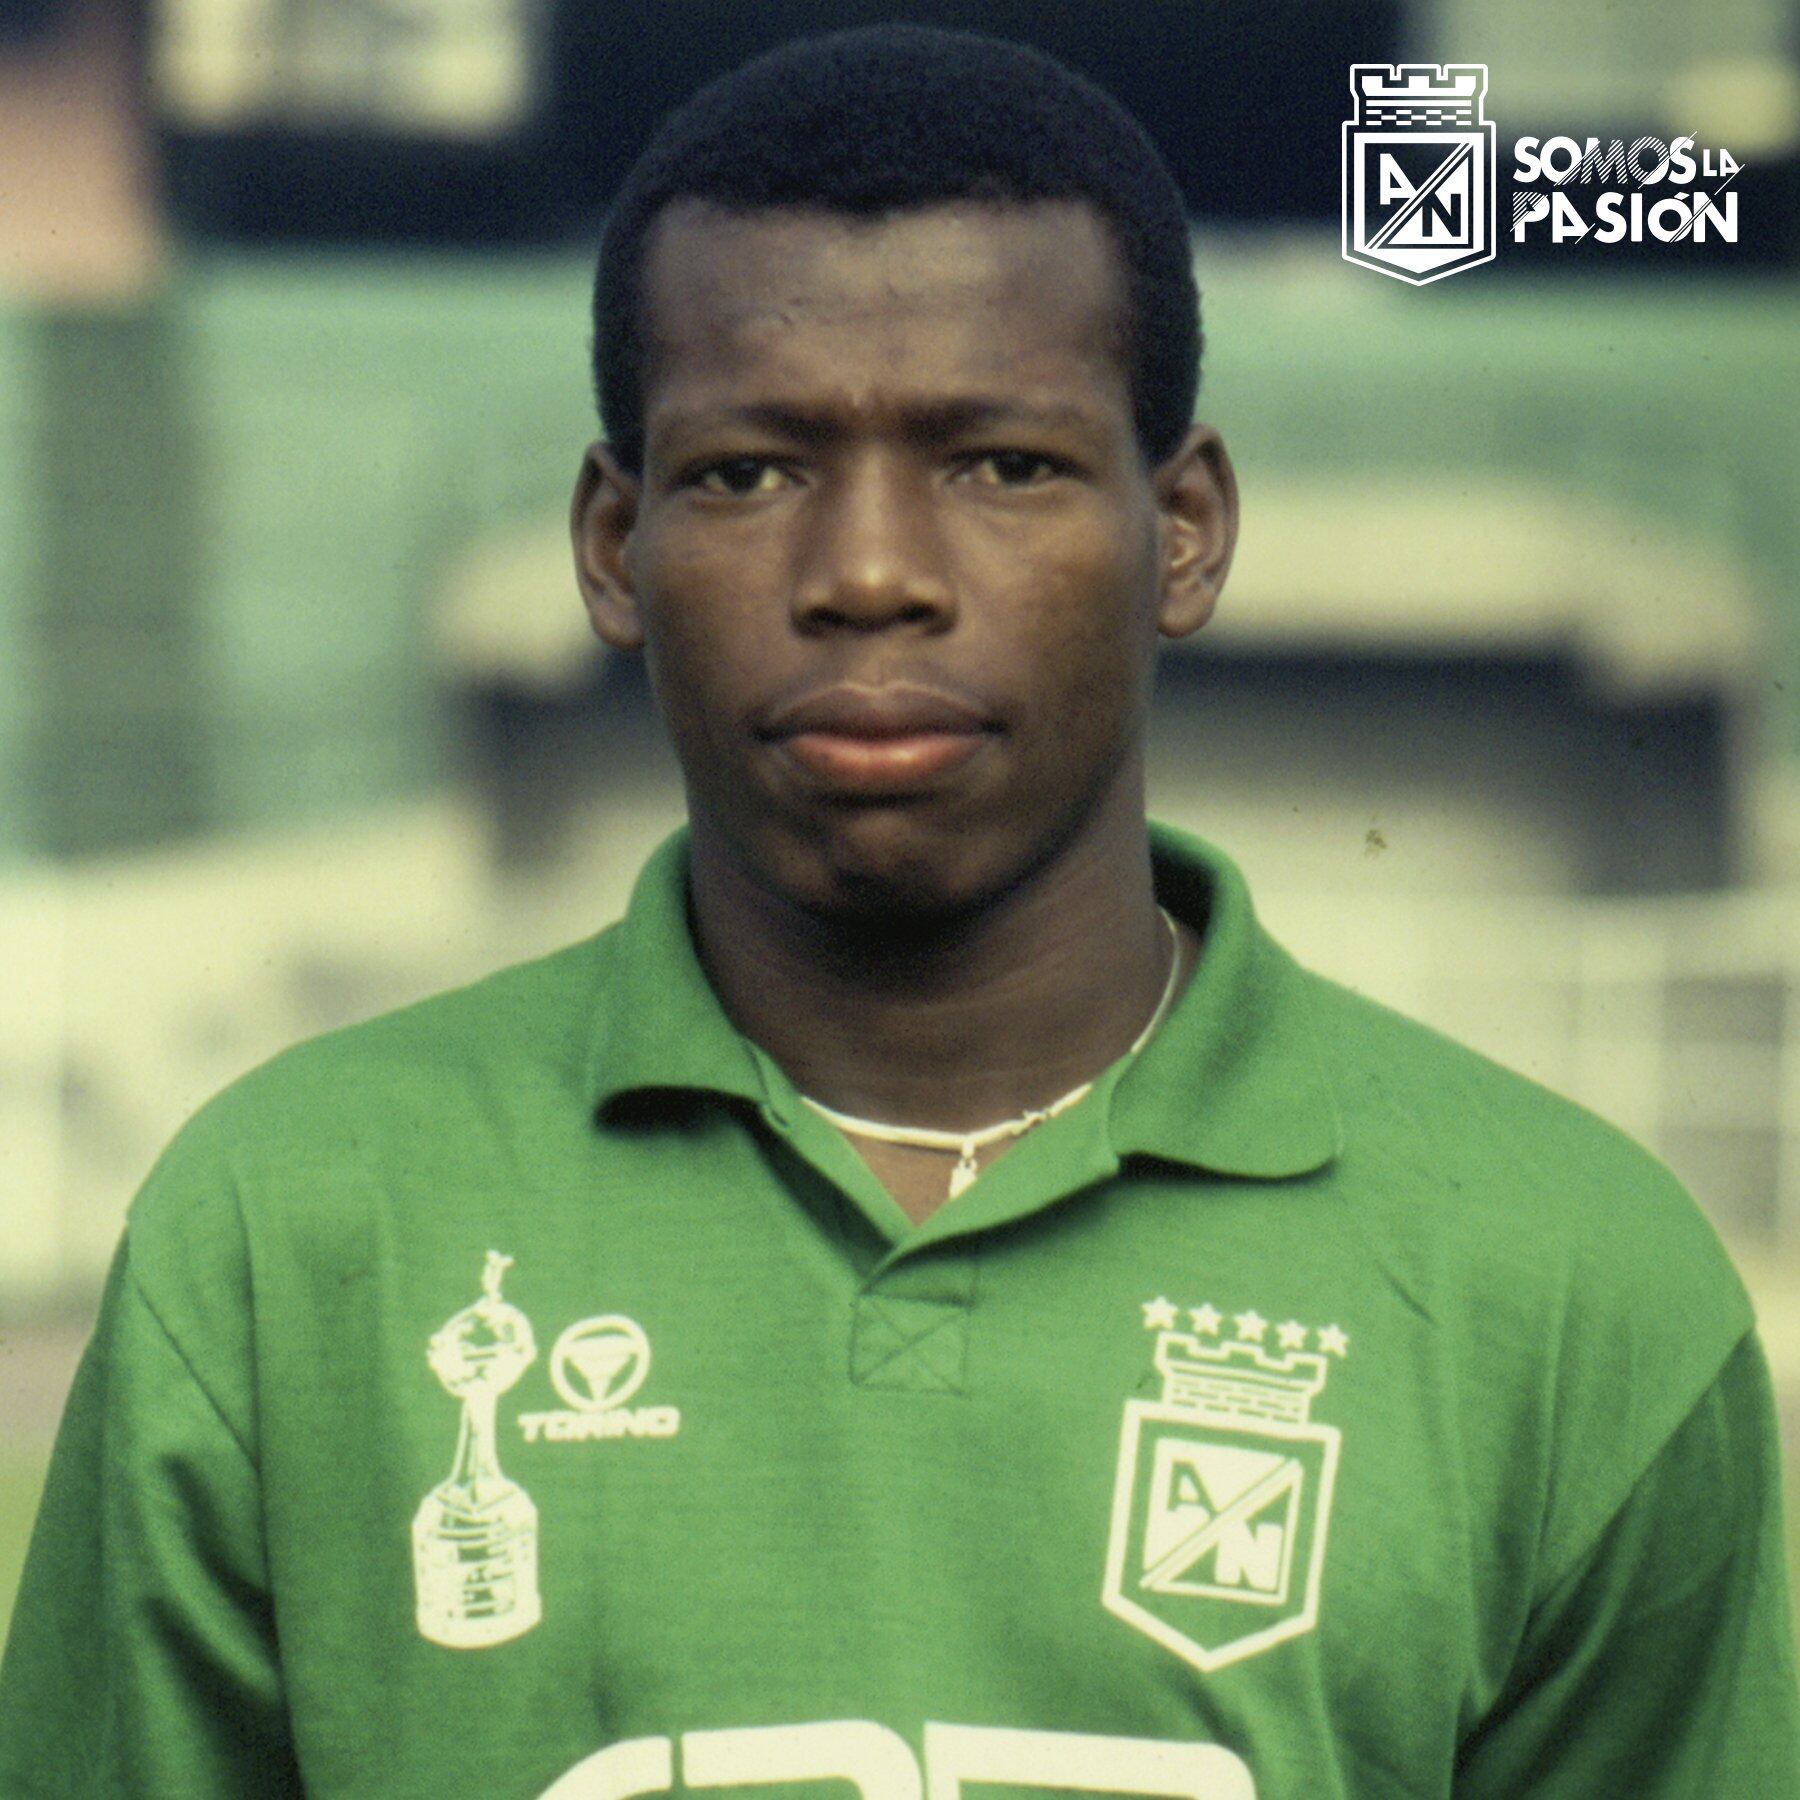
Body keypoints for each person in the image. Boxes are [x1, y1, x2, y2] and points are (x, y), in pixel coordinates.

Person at [2, 24, 1796, 1798]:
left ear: (1183, 528)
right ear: (614, 549)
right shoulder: (281, 1239)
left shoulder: (1575, 1292)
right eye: (748, 471)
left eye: (1000, 463)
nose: (868, 573)